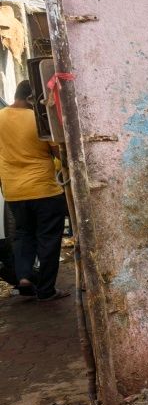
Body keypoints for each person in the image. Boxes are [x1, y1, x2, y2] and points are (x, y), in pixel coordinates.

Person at [0, 80, 68, 301]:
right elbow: (58, 152)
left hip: (14, 191)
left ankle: (25, 278)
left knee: (22, 234)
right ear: (32, 98)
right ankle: (46, 291)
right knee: (48, 238)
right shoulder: (39, 119)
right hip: (44, 190)